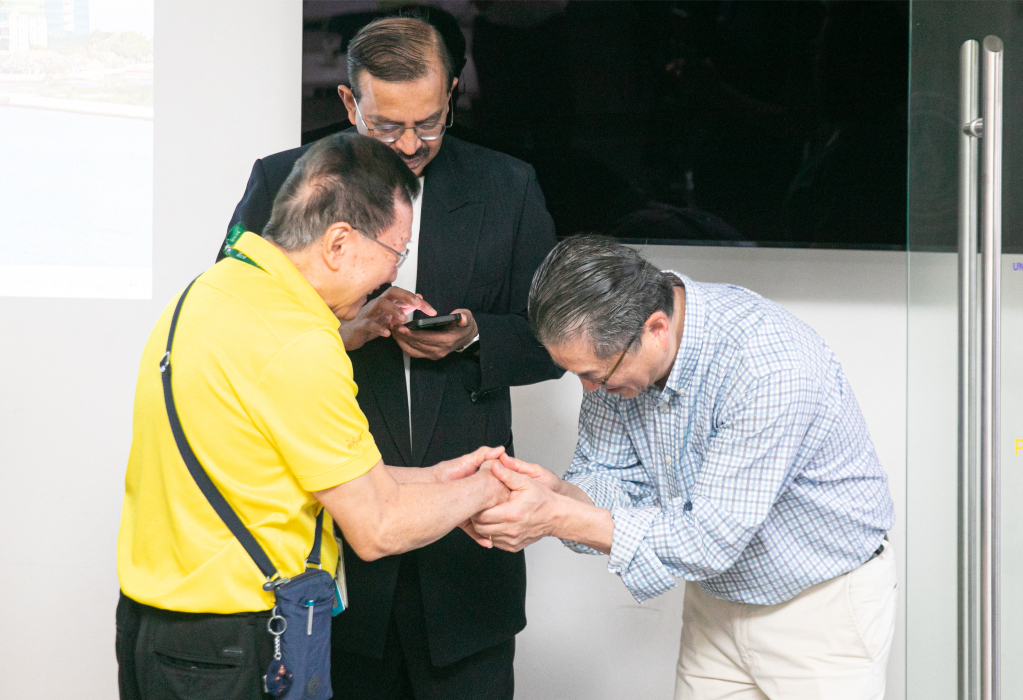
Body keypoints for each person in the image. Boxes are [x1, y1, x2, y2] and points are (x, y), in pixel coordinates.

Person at [223, 15, 561, 700]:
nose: (409, 145)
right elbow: (238, 325)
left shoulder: (509, 185)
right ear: (350, 102)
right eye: (386, 127)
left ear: (453, 93)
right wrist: (347, 326)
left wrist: (474, 335)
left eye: (428, 124)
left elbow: (554, 339)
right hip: (336, 545)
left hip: (468, 559)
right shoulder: (283, 179)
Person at [115, 133, 511, 700]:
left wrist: (439, 480)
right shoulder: (299, 344)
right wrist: (489, 489)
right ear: (339, 243)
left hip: (156, 633)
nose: (392, 274)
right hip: (236, 649)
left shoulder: (212, 291)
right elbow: (378, 527)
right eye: (395, 251)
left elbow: (292, 472)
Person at [470, 236, 898, 699]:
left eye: (596, 375)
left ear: (656, 328)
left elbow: (710, 539)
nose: (589, 390)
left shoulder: (766, 365)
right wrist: (560, 495)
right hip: (716, 600)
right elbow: (608, 473)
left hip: (821, 608)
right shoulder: (615, 352)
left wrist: (558, 517)